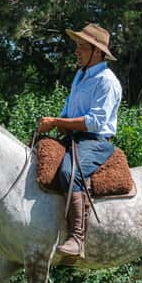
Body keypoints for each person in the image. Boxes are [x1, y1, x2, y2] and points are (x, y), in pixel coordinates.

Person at [37, 23, 122, 261]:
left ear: (98, 52)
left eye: (82, 47)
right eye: (78, 47)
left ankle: (77, 237)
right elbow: (68, 111)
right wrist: (54, 122)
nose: (77, 52)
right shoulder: (80, 75)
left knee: (68, 173)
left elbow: (95, 122)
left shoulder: (107, 81)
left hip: (95, 141)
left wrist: (56, 121)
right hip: (73, 137)